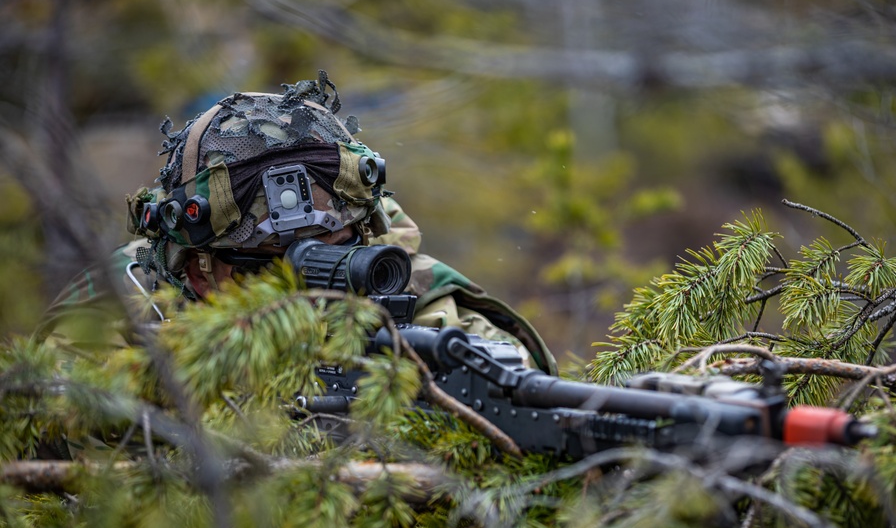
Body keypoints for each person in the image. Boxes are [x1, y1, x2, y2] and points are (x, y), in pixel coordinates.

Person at [38, 71, 556, 374]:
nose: (314, 290)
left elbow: (513, 387)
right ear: (198, 270)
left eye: (337, 253)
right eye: (271, 269)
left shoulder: (411, 298)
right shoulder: (126, 310)